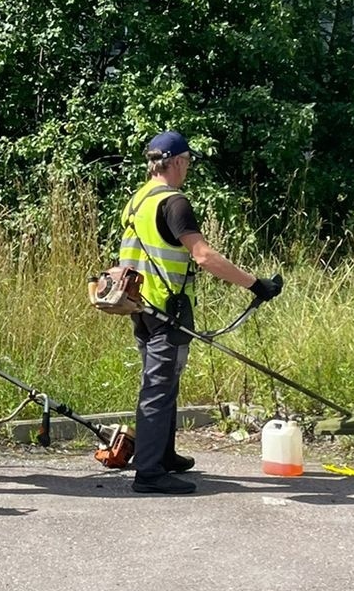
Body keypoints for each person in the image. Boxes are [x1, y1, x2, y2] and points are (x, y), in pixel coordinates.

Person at [120, 130, 281, 494]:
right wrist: (255, 284)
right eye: (188, 163)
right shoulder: (173, 202)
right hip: (168, 306)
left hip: (140, 304)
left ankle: (164, 455)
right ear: (176, 161)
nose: (188, 169)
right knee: (159, 387)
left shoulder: (136, 201)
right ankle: (149, 473)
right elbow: (203, 255)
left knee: (162, 380)